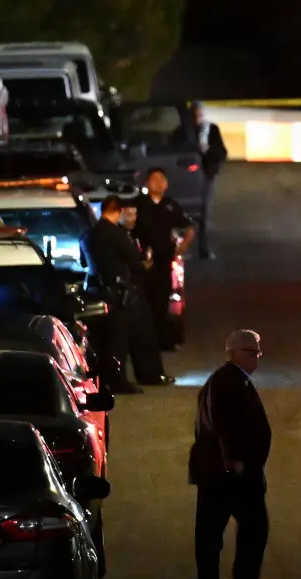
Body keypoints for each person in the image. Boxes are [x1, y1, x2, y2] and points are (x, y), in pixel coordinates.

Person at [188, 329, 272, 579]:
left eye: (258, 353)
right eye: (252, 353)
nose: (256, 359)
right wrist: (234, 460)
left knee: (213, 533)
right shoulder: (230, 383)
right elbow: (224, 424)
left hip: (219, 471)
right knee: (251, 527)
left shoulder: (225, 380)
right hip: (230, 474)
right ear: (235, 353)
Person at [80, 194, 174, 389]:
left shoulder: (87, 235)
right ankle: (120, 381)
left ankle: (103, 380)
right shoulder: (116, 235)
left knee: (100, 340)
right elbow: (134, 261)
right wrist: (145, 265)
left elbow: (82, 262)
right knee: (118, 340)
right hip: (118, 293)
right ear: (117, 211)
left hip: (95, 292)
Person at [132, 169, 195, 351]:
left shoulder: (171, 205)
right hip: (142, 263)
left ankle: (162, 340)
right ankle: (144, 342)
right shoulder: (138, 204)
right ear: (147, 183)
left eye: (162, 179)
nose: (159, 183)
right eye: (154, 179)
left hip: (164, 261)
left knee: (162, 301)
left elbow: (188, 227)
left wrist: (185, 245)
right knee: (144, 302)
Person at [192, 101, 228, 260]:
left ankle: (203, 249)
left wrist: (208, 150)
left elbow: (222, 153)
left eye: (199, 114)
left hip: (206, 176)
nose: (197, 118)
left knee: (204, 215)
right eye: (194, 115)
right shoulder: (184, 131)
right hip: (187, 178)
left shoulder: (211, 129)